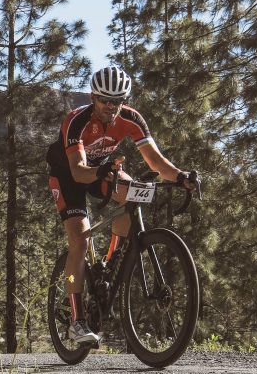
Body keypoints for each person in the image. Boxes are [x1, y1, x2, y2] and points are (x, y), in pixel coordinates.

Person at [46, 66, 196, 344]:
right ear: (93, 97)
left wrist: (180, 177)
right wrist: (101, 171)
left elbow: (155, 161)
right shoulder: (76, 121)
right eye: (105, 100)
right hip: (68, 176)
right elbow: (78, 171)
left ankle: (109, 263)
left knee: (133, 191)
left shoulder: (131, 119)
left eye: (117, 100)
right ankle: (76, 320)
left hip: (102, 170)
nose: (111, 106)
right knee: (79, 241)